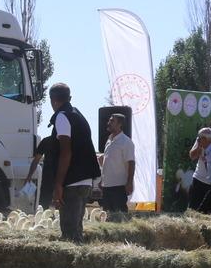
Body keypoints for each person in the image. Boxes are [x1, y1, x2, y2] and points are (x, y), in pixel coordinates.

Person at [44, 83, 100, 242]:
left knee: (69, 235)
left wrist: (58, 184)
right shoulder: (78, 115)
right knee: (76, 232)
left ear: (53, 100)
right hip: (85, 180)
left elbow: (66, 152)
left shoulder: (62, 116)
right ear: (69, 98)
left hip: (72, 182)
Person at [98, 113, 135, 221]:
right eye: (109, 120)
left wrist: (129, 182)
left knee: (120, 218)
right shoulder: (109, 140)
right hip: (107, 186)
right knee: (108, 217)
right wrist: (102, 180)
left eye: (112, 121)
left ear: (120, 124)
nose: (108, 123)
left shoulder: (126, 142)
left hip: (119, 187)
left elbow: (131, 163)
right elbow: (108, 163)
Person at [23, 134, 57, 209]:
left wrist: (29, 176)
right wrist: (29, 176)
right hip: (56, 178)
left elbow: (36, 160)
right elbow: (36, 160)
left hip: (49, 178)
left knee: (44, 205)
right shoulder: (65, 141)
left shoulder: (47, 141)